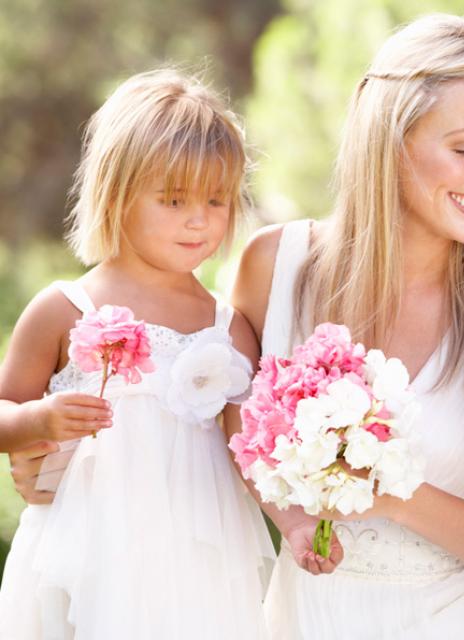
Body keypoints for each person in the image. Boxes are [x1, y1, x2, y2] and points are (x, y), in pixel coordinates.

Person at [230, 14, 464, 639]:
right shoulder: (274, 265)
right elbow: (223, 419)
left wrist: (394, 494)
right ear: (389, 139)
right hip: (305, 619)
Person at [0, 69, 277, 639]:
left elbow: (249, 452)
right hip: (93, 557)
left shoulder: (232, 329)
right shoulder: (64, 308)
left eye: (217, 200)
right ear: (119, 192)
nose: (199, 219)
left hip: (201, 565)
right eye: (174, 200)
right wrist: (39, 420)